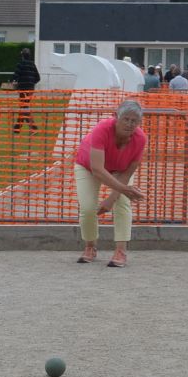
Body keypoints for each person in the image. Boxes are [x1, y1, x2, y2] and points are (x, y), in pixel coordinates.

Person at [73, 100, 149, 267]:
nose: (130, 124)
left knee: (122, 203)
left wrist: (112, 198)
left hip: (120, 170)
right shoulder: (102, 129)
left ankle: (120, 251)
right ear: (116, 117)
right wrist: (124, 189)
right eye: (126, 119)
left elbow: (128, 172)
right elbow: (98, 169)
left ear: (139, 122)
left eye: (134, 121)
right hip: (88, 167)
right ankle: (90, 246)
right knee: (87, 208)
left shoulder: (141, 139)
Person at [12, 48, 41, 130]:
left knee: (24, 107)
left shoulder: (20, 64)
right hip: (31, 90)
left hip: (23, 89)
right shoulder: (32, 64)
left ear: (22, 56)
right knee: (24, 106)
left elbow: (15, 75)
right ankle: (18, 127)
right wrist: (31, 83)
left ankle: (33, 127)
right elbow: (38, 78)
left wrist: (14, 81)